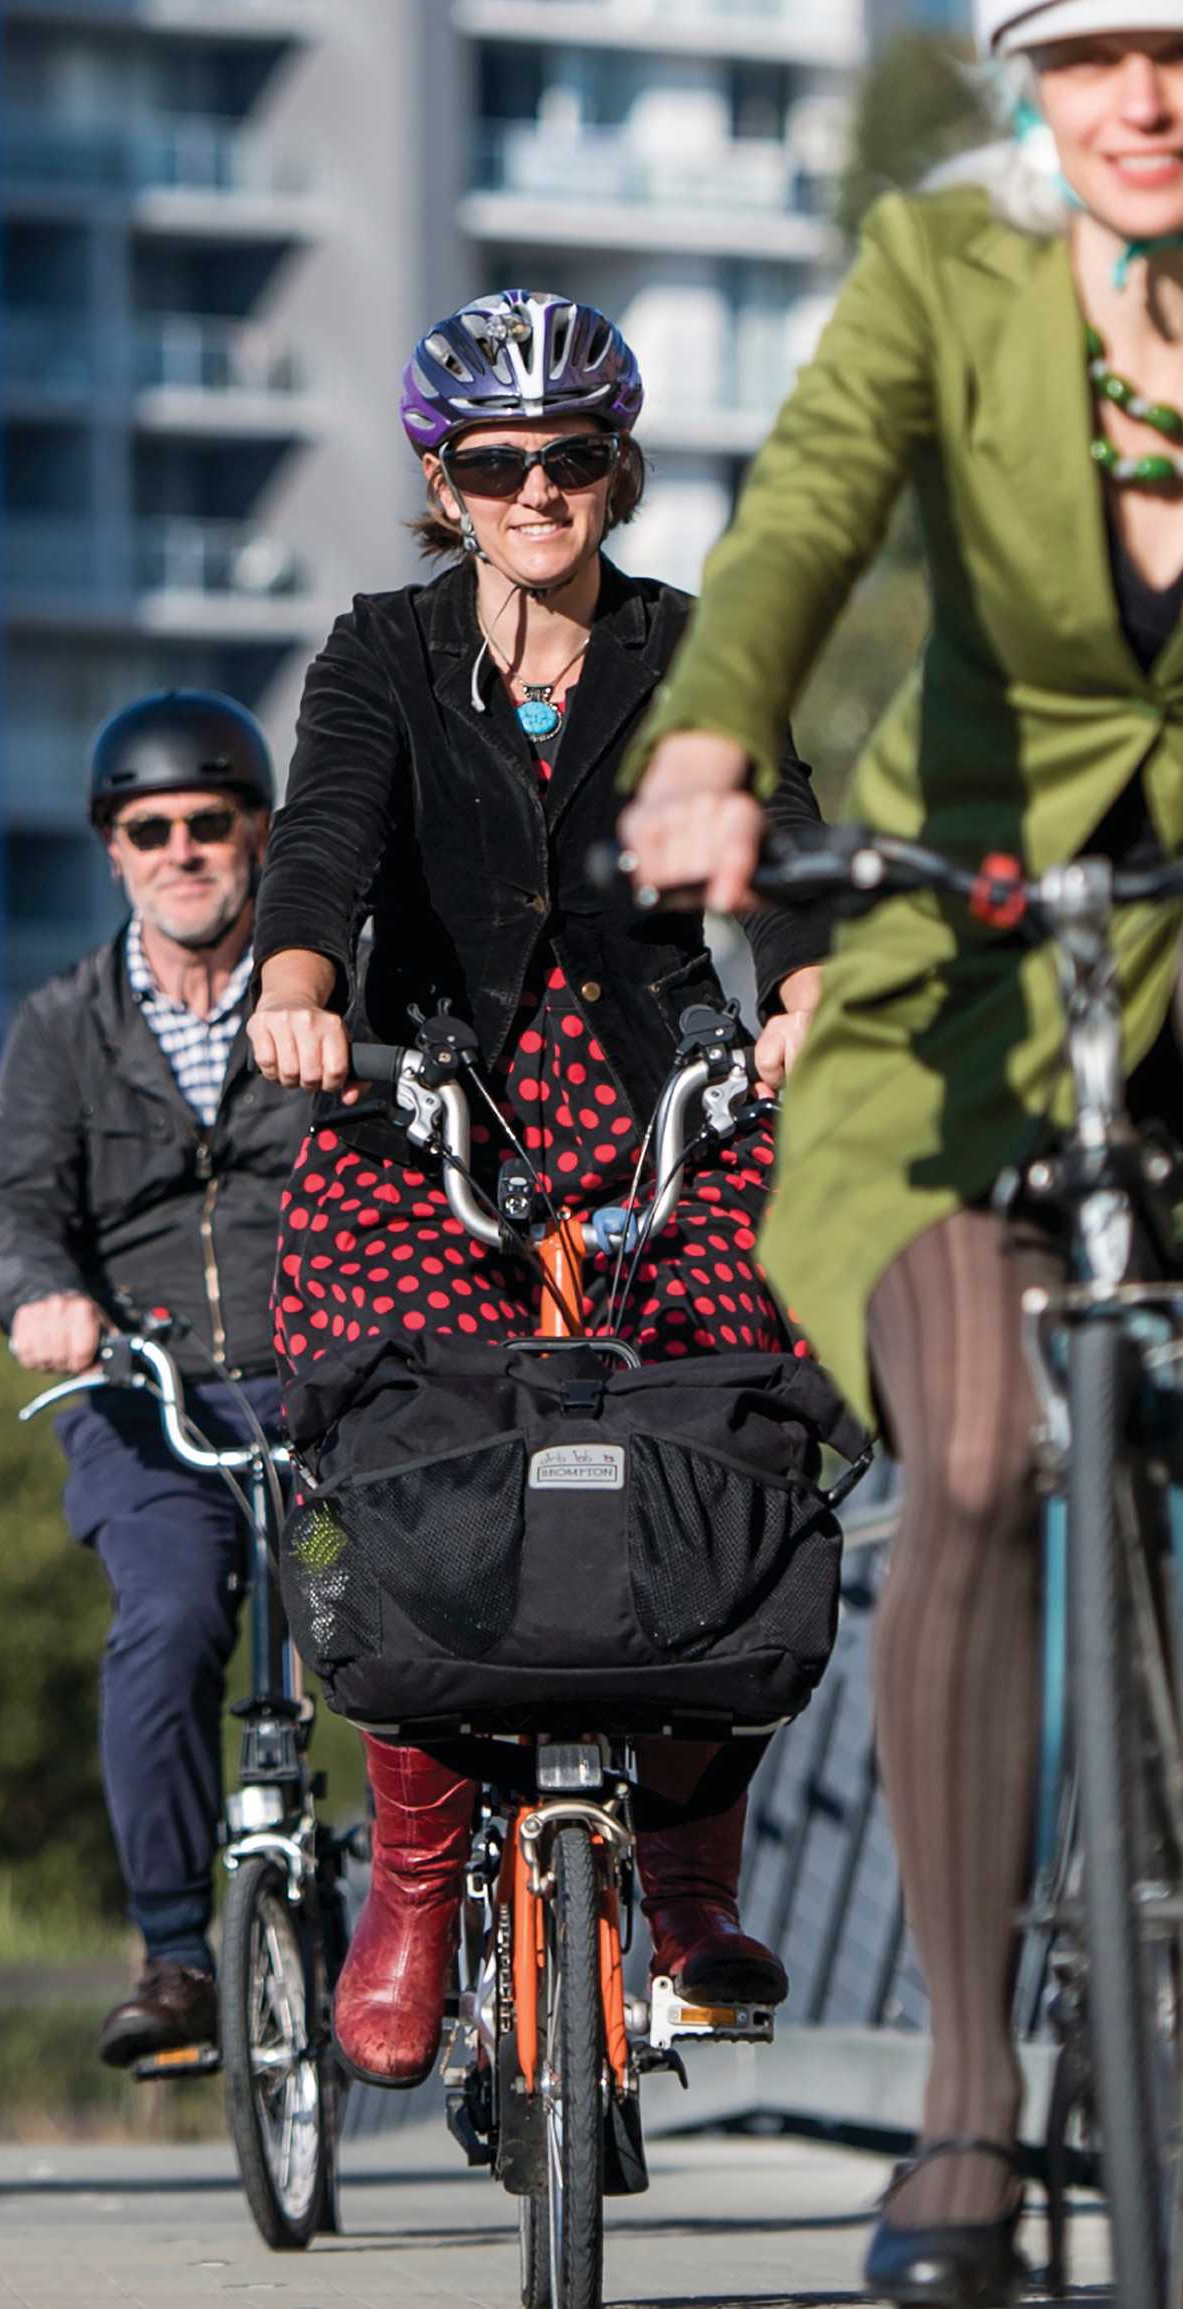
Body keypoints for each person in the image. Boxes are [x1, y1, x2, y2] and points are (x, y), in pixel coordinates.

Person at [616, 9, 1183, 2299]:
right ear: (1025, 94)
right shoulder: (940, 274)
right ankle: (967, 2101)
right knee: (962, 1450)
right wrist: (715, 741)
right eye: (1092, 59)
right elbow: (799, 518)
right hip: (958, 973)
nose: (1143, 101)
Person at [244, 290, 834, 2093]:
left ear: (616, 467)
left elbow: (777, 825)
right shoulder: (380, 653)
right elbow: (329, 832)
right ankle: (412, 1901)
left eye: (570, 458)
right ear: (444, 477)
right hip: (425, 1094)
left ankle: (686, 1881)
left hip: (647, 1085)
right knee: (402, 1432)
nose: (534, 492)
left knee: (739, 1413)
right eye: (495, 464)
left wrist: (805, 984)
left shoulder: (686, 643)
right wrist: (294, 983)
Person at [0, 691, 308, 2066]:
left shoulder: (322, 994)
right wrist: (43, 1297)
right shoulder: (61, 1031)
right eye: (148, 828)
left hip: (322, 1410)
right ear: (113, 849)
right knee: (167, 1621)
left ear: (259, 837)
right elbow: (9, 1210)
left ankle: (443, 1943)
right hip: (154, 1411)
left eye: (208, 825)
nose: (181, 851)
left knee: (386, 1613)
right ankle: (176, 1958)